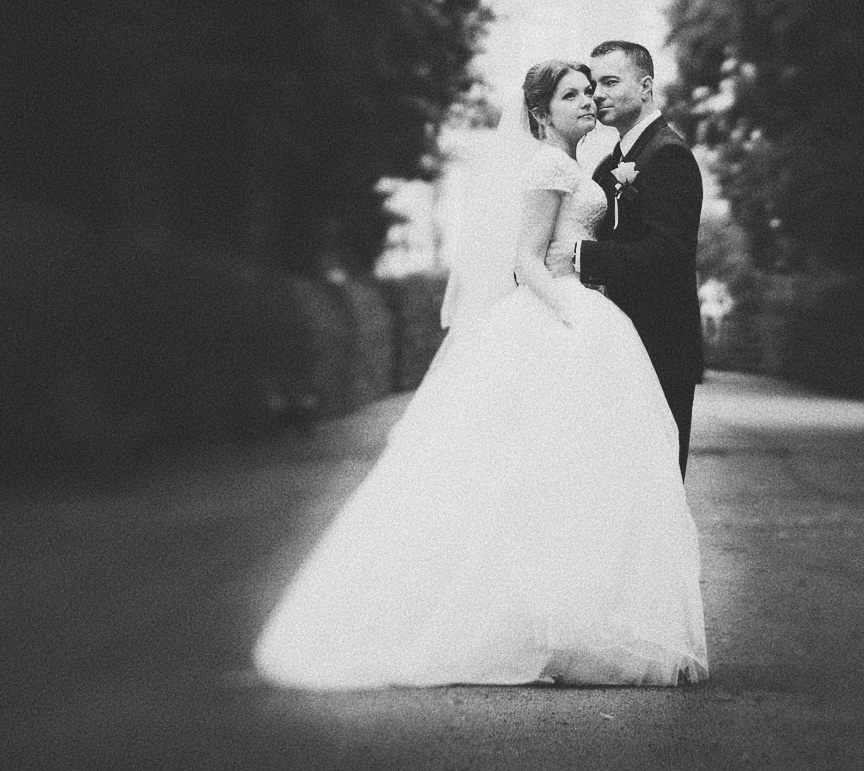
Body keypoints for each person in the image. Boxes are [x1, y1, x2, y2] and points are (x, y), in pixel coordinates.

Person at [253, 61, 707, 689]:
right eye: (573, 94)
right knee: (535, 471)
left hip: (585, 307)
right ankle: (526, 622)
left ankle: (573, 619)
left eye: (591, 90)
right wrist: (571, 312)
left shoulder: (589, 165)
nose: (588, 101)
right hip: (560, 309)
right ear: (541, 112)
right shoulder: (549, 167)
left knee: (572, 474)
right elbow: (527, 260)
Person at [576, 40, 704, 475]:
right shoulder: (613, 161)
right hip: (620, 345)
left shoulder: (668, 154)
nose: (598, 95)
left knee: (657, 478)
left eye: (610, 82)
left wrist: (580, 257)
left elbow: (667, 254)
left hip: (660, 344)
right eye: (594, 85)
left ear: (646, 86)